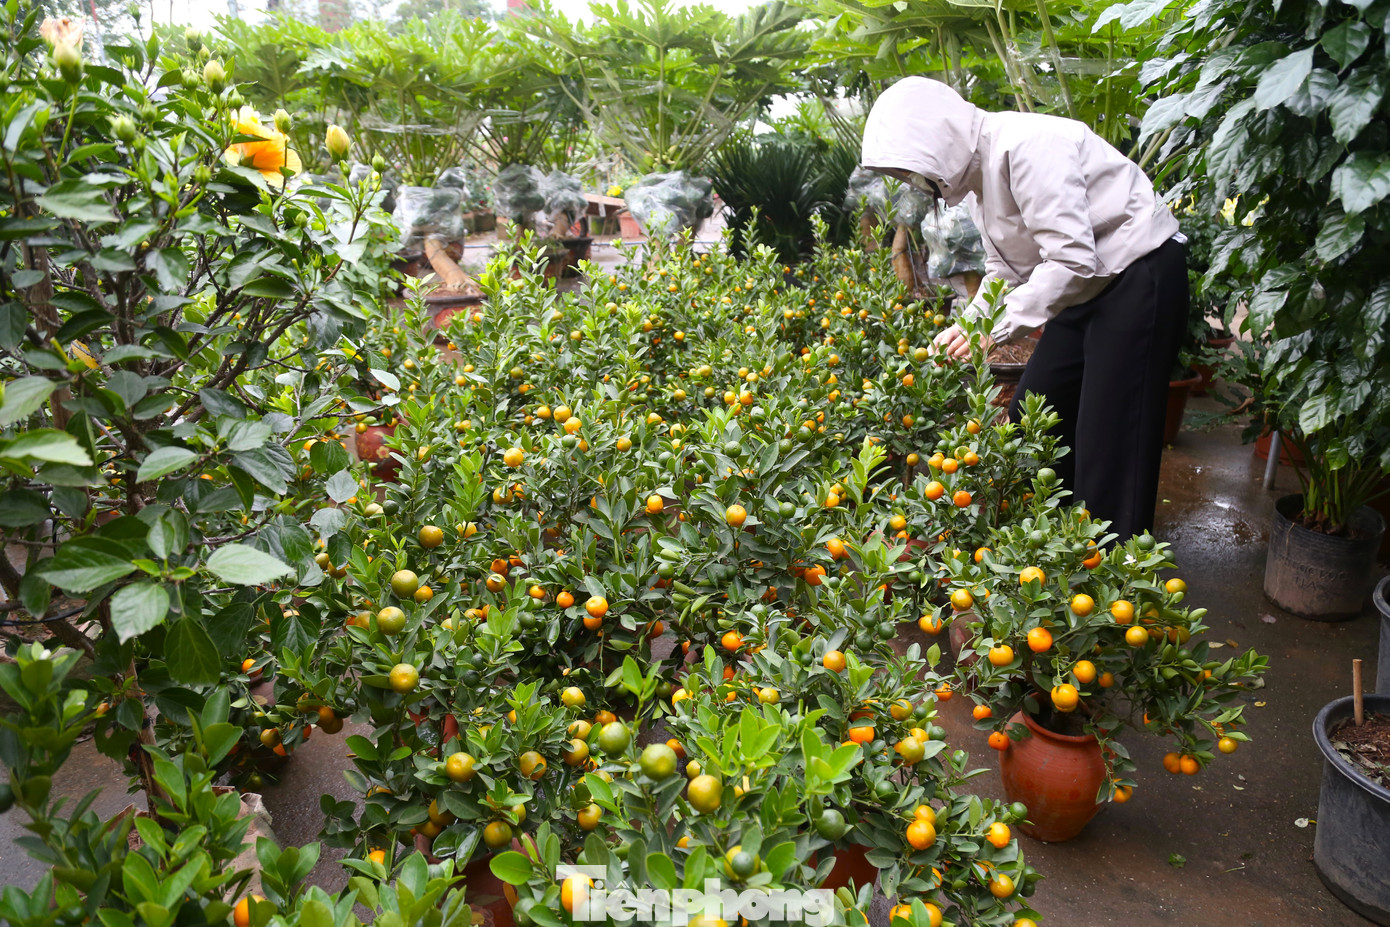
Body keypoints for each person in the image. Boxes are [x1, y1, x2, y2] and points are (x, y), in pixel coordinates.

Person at [861, 76, 1189, 542]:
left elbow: (1072, 257)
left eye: (911, 170)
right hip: (1083, 286)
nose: (915, 183)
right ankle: (1044, 551)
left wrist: (998, 329)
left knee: (1112, 442)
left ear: (936, 142)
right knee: (1034, 420)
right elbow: (1006, 269)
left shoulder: (1027, 145)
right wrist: (972, 324)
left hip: (1137, 276)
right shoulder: (977, 182)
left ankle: (1112, 583)